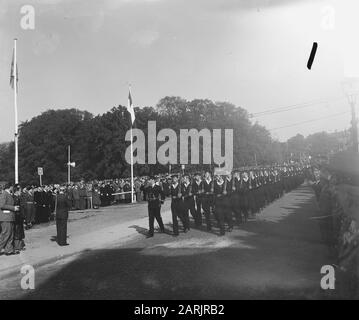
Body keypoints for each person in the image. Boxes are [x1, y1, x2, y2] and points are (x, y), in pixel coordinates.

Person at [0, 183, 19, 255]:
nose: (13, 188)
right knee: (5, 234)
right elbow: (2, 205)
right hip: (5, 217)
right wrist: (13, 208)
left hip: (9, 217)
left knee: (10, 234)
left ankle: (9, 250)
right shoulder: (4, 194)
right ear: (10, 187)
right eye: (13, 187)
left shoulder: (8, 194)